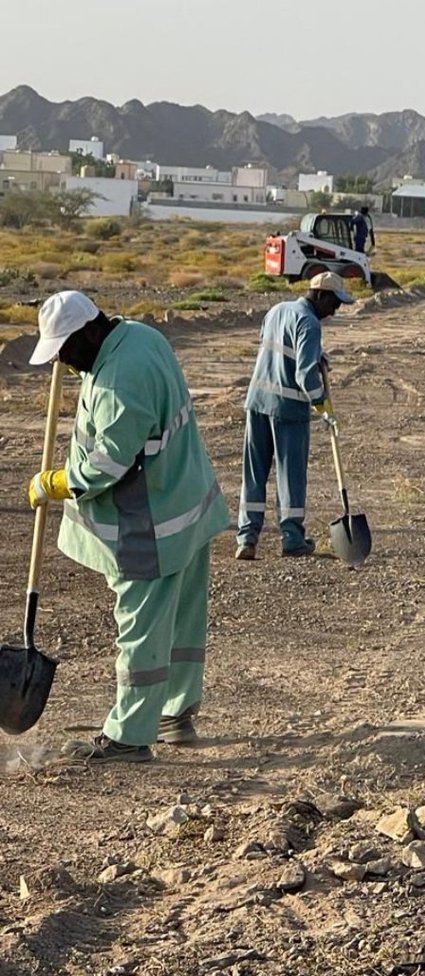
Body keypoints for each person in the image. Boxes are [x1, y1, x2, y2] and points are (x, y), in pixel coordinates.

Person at [26, 291, 230, 763]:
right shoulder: (139, 337)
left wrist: (55, 482)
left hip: (150, 524)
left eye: (64, 348)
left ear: (89, 331)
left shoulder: (122, 379)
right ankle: (175, 716)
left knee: (140, 626)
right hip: (185, 503)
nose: (63, 361)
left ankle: (129, 736)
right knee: (180, 620)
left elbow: (107, 463)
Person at [236, 272, 354, 560]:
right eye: (334, 303)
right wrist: (321, 402)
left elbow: (277, 346)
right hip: (288, 409)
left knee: (254, 473)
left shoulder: (277, 310)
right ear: (320, 295)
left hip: (257, 403)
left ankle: (247, 539)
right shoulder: (310, 323)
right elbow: (304, 375)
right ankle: (292, 538)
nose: (335, 310)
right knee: (291, 476)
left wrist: (316, 354)